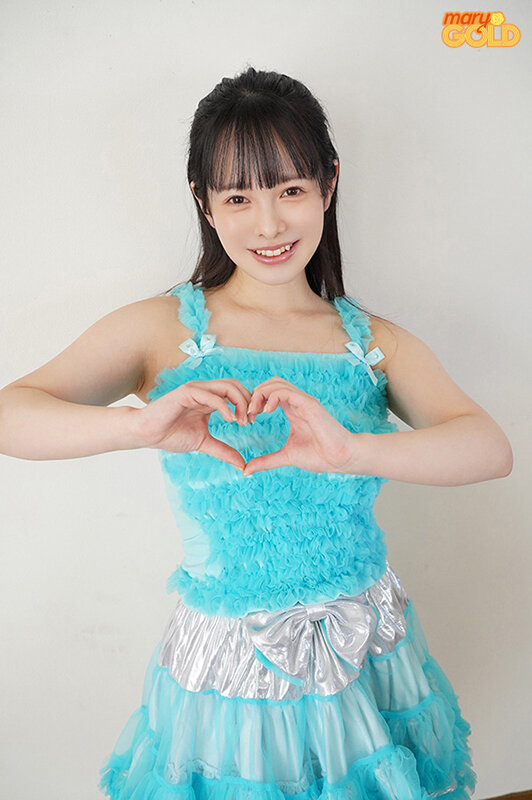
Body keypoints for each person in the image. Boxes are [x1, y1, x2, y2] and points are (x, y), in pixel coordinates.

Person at [0, 65, 512, 799]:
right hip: (230, 667)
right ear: (203, 203)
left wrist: (352, 451)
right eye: (238, 197)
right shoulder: (161, 328)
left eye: (290, 190)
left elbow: (489, 449)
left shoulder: (372, 343)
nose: (268, 225)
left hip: (367, 646)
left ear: (329, 185)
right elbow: (11, 413)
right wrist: (138, 426)